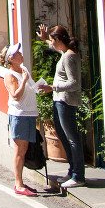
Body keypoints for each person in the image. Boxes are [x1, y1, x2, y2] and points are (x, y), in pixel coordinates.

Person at [37, 23, 85, 188]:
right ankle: (72, 171)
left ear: (58, 39)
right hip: (59, 100)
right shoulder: (65, 52)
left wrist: (53, 87)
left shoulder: (70, 56)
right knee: (64, 136)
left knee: (72, 138)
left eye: (52, 40)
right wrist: (44, 39)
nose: (51, 43)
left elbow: (74, 83)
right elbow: (54, 48)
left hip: (66, 101)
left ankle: (78, 175)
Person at [0, 41, 39, 197]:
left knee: (24, 149)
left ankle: (20, 182)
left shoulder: (23, 70)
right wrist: (23, 80)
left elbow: (32, 87)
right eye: (17, 54)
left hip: (29, 114)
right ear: (11, 59)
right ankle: (18, 184)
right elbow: (16, 96)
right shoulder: (9, 76)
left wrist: (42, 87)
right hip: (19, 115)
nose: (21, 55)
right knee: (19, 150)